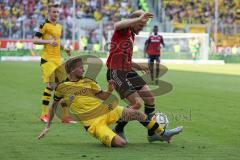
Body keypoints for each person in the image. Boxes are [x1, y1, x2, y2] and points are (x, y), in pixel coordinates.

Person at [37, 57, 183, 147]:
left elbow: (103, 96)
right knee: (121, 144)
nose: (83, 69)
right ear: (72, 70)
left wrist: (110, 89)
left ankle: (164, 134)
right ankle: (113, 133)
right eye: (80, 67)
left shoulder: (89, 81)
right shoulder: (62, 87)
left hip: (105, 110)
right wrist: (48, 126)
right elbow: (53, 106)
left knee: (137, 114)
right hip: (93, 123)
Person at [106, 10, 158, 141]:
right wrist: (139, 18)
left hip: (127, 70)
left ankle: (152, 134)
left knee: (150, 98)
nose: (141, 29)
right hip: (116, 72)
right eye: (140, 25)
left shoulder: (131, 34)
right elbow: (117, 25)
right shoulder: (123, 30)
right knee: (136, 103)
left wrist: (141, 67)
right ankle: (117, 129)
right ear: (134, 21)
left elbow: (126, 60)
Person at [33, 3, 75, 123]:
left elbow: (57, 41)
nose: (56, 14)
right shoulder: (44, 25)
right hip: (47, 60)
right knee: (51, 86)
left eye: (57, 12)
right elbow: (35, 40)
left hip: (58, 60)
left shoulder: (59, 26)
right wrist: (48, 42)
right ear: (49, 13)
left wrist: (65, 48)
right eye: (53, 12)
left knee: (66, 87)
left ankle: (65, 117)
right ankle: (44, 115)